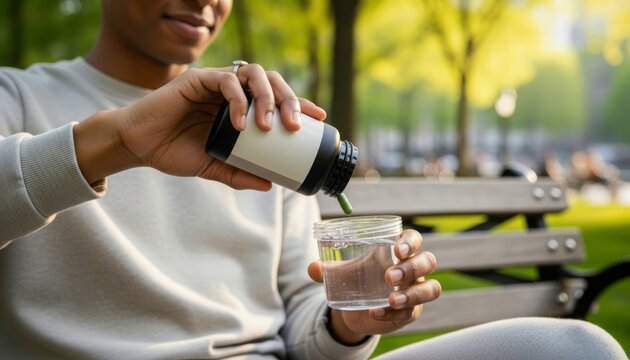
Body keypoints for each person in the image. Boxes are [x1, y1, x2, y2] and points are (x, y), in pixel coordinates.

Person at [0, 1, 626, 359]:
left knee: (575, 350)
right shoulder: (18, 99)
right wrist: (115, 144)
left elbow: (305, 326)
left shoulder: (263, 126)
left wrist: (350, 323)